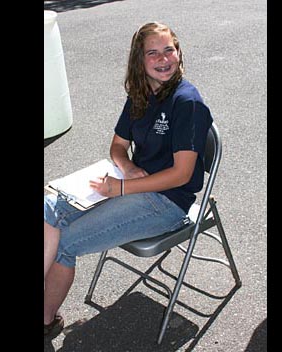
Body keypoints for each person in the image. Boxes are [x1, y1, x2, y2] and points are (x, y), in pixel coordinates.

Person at [43, 21, 213, 340]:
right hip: (132, 185)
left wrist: (121, 187)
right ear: (139, 61)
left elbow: (182, 174)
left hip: (166, 202)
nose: (163, 59)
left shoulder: (187, 102)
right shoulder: (141, 92)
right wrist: (128, 168)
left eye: (169, 50)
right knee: (47, 207)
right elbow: (118, 146)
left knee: (64, 242)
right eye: (153, 53)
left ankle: (45, 320)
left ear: (179, 53)